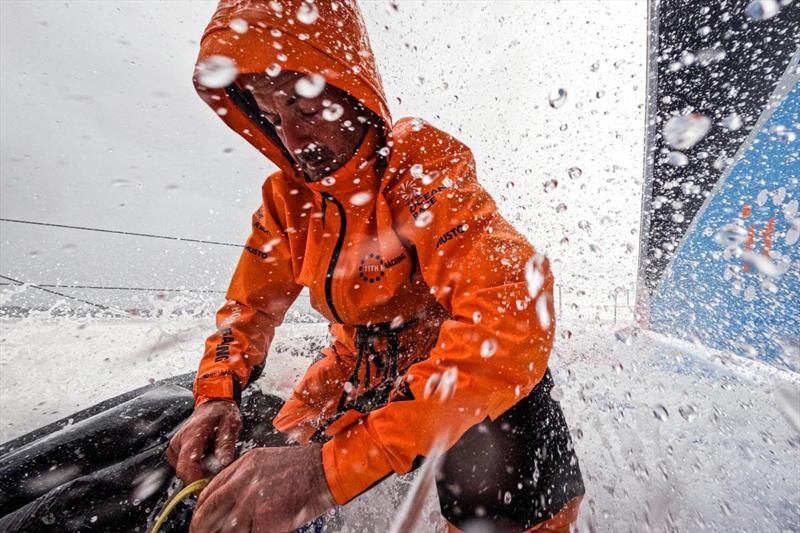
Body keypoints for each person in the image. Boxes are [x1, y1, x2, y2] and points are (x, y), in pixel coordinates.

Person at [167, 1, 585, 531]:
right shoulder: (285, 201)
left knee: (495, 443)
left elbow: (511, 312)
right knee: (250, 479)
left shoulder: (422, 169)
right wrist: (216, 395)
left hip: (452, 373)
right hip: (355, 371)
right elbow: (249, 310)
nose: (292, 142)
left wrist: (327, 472)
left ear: (352, 92)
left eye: (307, 109)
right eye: (272, 118)